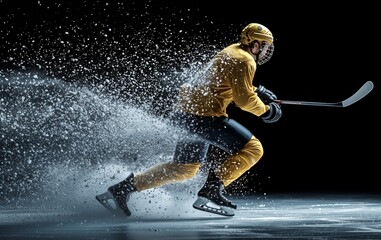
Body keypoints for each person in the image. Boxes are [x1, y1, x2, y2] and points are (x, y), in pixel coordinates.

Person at [96, 23, 282, 217]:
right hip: (204, 117)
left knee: (183, 168)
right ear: (254, 44)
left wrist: (255, 90)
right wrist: (267, 111)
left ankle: (121, 190)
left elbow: (222, 84)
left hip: (186, 115)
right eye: (265, 46)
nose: (267, 51)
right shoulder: (246, 61)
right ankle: (212, 190)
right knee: (253, 149)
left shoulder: (232, 50)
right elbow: (244, 101)